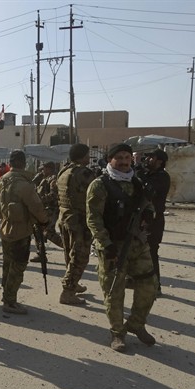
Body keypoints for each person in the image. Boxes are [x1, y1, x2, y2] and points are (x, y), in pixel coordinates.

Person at [87, 143, 158, 352]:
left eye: (128, 157)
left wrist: (148, 213)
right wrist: (106, 245)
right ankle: (117, 333)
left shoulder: (137, 182)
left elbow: (147, 205)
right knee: (114, 292)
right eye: (119, 157)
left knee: (149, 286)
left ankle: (136, 324)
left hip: (138, 244)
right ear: (110, 160)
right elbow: (93, 219)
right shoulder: (99, 185)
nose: (125, 161)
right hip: (112, 247)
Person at [0, 150, 48, 315]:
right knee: (18, 265)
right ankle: (10, 301)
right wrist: (44, 221)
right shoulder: (25, 184)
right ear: (24, 163)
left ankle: (7, 295)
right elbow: (37, 207)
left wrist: (4, 217)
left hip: (6, 227)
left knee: (7, 264)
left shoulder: (3, 180)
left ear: (10, 163)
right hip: (21, 230)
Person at [56, 144, 95, 305]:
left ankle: (73, 283)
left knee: (70, 253)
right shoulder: (84, 173)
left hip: (65, 217)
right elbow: (96, 192)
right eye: (87, 154)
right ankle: (68, 291)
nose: (89, 157)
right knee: (80, 256)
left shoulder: (63, 171)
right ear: (82, 156)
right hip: (79, 220)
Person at [136, 149, 171, 296]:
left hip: (154, 220)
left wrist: (137, 168)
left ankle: (156, 286)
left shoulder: (162, 177)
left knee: (151, 253)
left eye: (152, 157)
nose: (148, 159)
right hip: (141, 218)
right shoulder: (147, 174)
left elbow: (148, 189)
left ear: (160, 161)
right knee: (137, 252)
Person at [30, 161, 63, 262]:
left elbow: (54, 195)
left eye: (44, 168)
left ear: (49, 169)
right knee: (37, 230)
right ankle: (41, 254)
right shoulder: (43, 179)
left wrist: (40, 199)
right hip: (43, 209)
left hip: (51, 210)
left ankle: (68, 247)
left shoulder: (53, 180)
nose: (42, 170)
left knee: (48, 233)